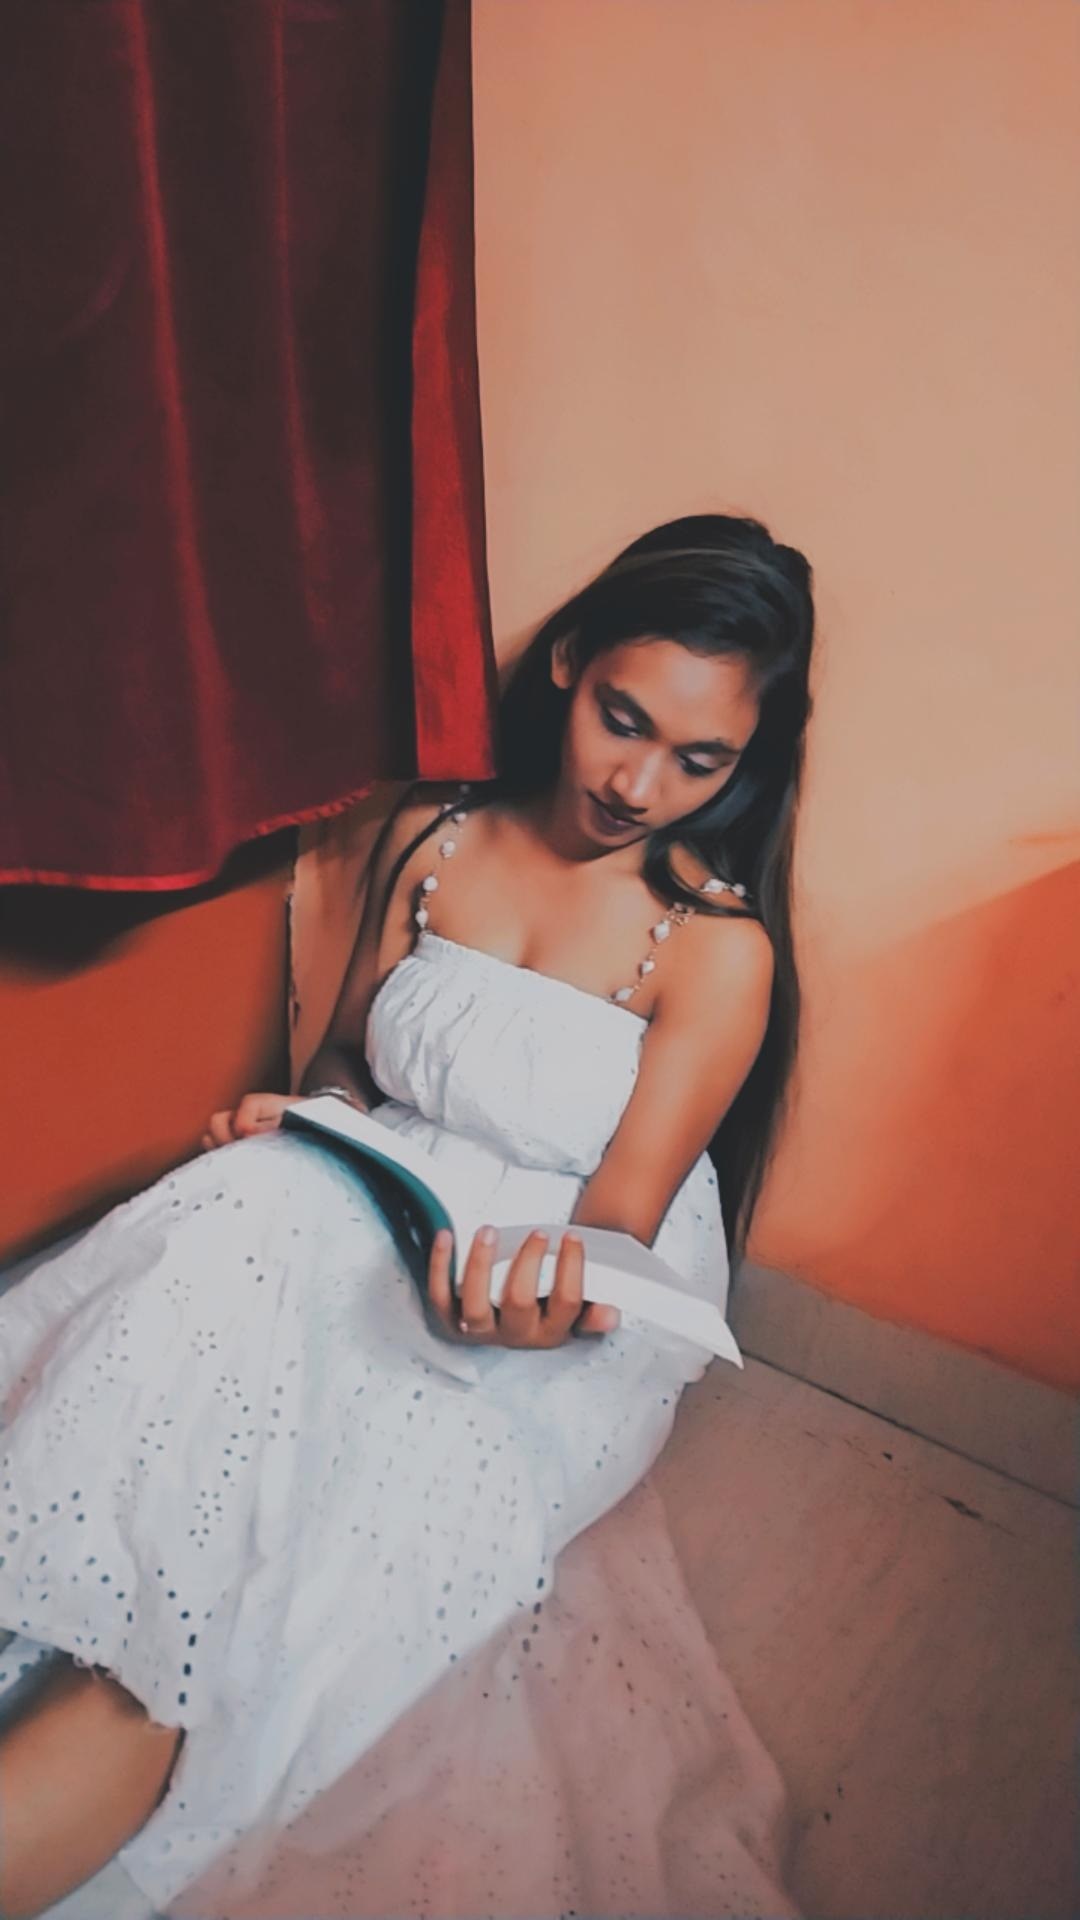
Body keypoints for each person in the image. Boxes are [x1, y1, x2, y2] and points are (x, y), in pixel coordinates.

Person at [0, 512, 814, 1918]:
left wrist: (538, 1306)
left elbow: (618, 1223)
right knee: (194, 1262)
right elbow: (345, 1068)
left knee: (288, 1555)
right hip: (382, 1181)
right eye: (624, 719)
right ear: (568, 662)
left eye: (701, 759)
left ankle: (127, 1718)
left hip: (545, 1272)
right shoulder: (434, 837)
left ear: (747, 763)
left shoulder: (718, 946)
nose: (638, 784)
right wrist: (299, 1118)